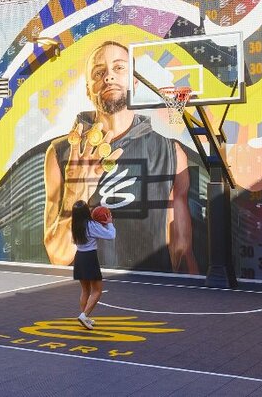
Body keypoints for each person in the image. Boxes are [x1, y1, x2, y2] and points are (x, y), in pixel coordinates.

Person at [43, 40, 197, 273]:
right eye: (99, 72)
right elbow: (59, 256)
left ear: (134, 82)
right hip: (89, 293)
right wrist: (76, 193)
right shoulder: (60, 153)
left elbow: (182, 248)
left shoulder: (171, 153)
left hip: (151, 293)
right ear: (87, 89)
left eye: (119, 68)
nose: (109, 77)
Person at [71, 201, 115, 330]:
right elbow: (111, 235)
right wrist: (109, 223)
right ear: (87, 211)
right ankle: (84, 316)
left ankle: (84, 316)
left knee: (85, 290)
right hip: (89, 258)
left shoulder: (74, 225)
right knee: (97, 290)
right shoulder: (91, 225)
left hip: (79, 257)